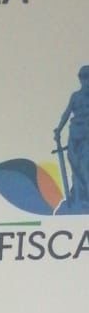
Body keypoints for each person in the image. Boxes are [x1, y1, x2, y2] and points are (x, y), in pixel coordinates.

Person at [54, 65, 89, 213]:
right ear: (80, 79)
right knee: (75, 167)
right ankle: (78, 198)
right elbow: (67, 113)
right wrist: (58, 129)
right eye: (84, 78)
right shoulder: (75, 96)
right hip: (75, 135)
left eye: (88, 78)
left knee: (85, 166)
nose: (86, 81)